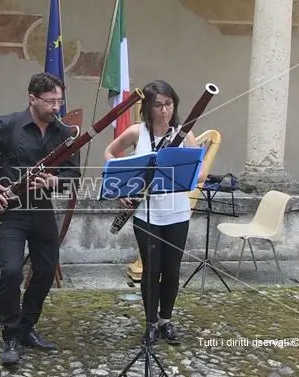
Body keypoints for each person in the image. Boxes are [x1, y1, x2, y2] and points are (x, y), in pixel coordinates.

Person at [0, 72, 81, 366]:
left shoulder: (63, 133)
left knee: (46, 270)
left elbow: (73, 176)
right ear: (32, 99)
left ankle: (27, 327)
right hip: (10, 211)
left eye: (59, 102)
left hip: (42, 212)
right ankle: (10, 335)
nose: (56, 108)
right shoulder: (8, 125)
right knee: (11, 272)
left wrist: (52, 182)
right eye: (50, 101)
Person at [103, 80, 205, 346]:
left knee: (172, 270)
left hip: (177, 213)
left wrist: (188, 171)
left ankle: (165, 321)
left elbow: (201, 171)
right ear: (147, 107)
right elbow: (110, 152)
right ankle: (150, 324)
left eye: (168, 104)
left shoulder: (184, 133)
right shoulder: (138, 132)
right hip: (146, 214)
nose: (164, 111)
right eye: (158, 105)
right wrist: (125, 186)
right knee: (151, 270)